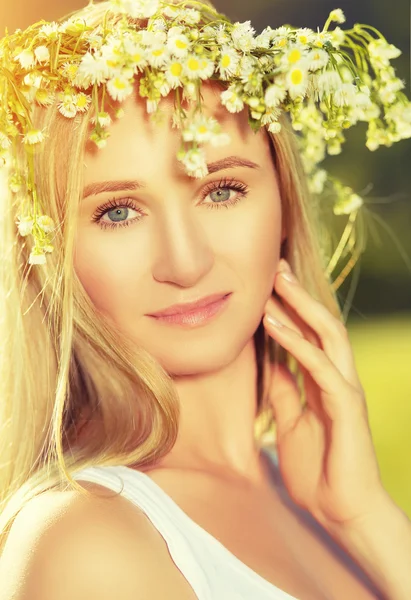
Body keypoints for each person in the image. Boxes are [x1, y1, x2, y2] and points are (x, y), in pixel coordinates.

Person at [0, 1, 411, 598]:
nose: (186, 261)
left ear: (285, 203)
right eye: (118, 211)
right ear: (51, 252)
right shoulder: (87, 545)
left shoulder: (315, 489)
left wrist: (365, 519)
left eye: (221, 190)